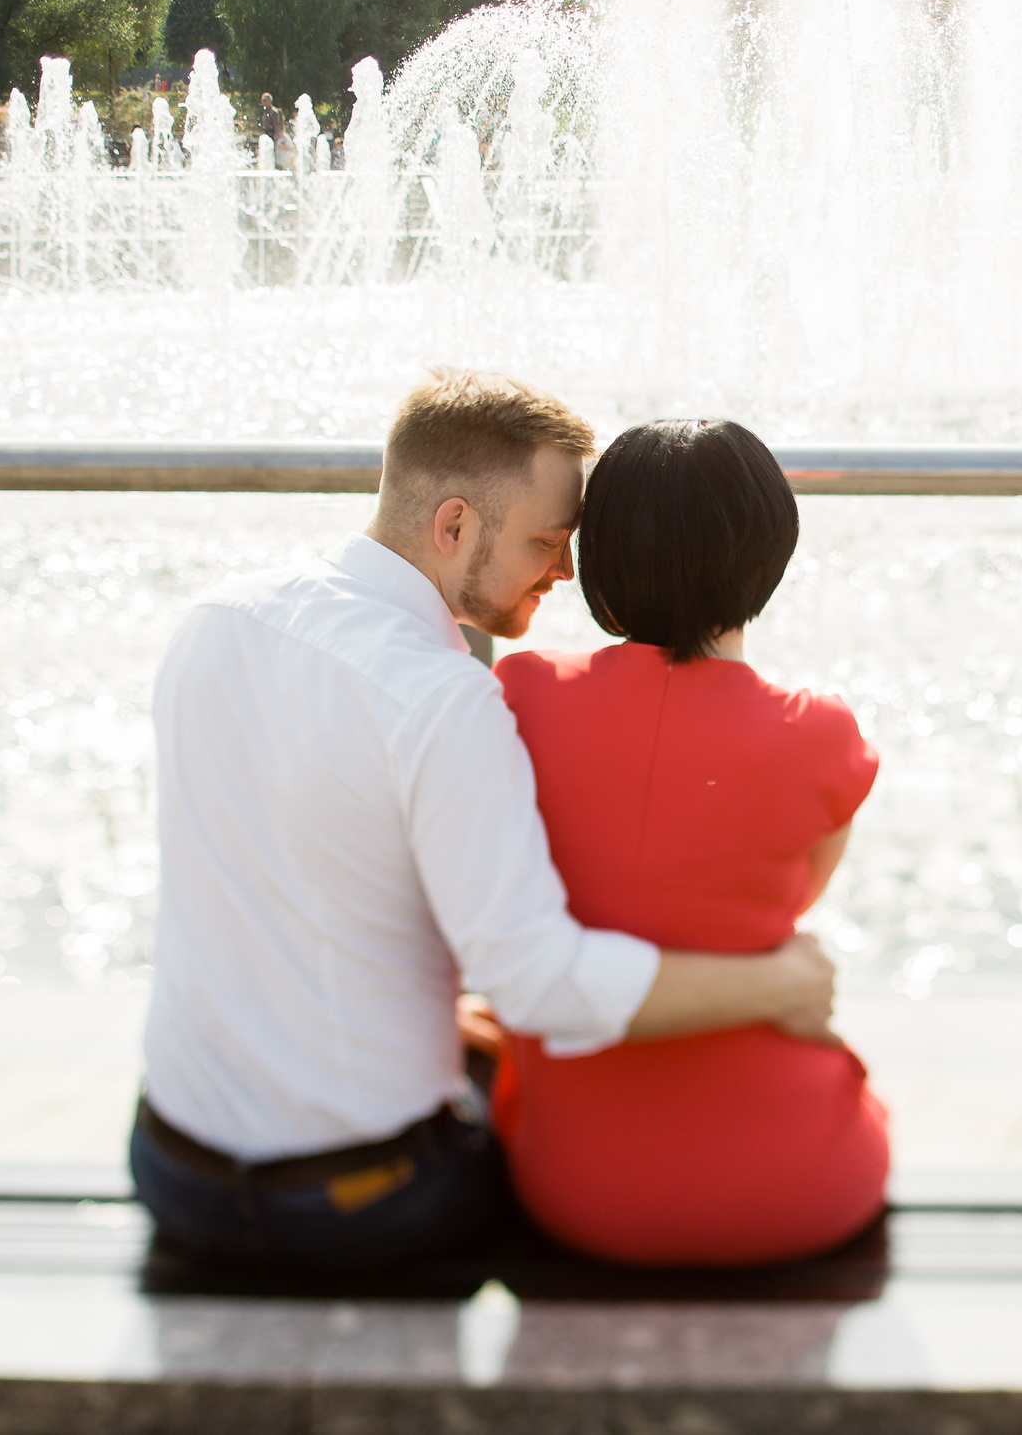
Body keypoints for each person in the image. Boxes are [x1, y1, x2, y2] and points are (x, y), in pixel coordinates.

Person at [132, 370, 839, 1273]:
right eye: (548, 541)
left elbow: (304, 879)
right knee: (567, 1131)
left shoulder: (213, 619)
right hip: (356, 1201)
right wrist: (780, 984)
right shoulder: (443, 699)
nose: (567, 571)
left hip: (170, 1164)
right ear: (455, 525)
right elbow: (540, 986)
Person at [492, 419, 889, 1266]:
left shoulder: (520, 696)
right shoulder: (820, 735)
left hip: (578, 1188)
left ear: (596, 561)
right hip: (801, 1184)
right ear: (769, 556)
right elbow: (791, 902)